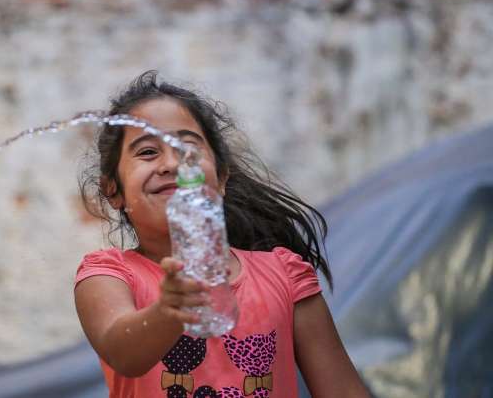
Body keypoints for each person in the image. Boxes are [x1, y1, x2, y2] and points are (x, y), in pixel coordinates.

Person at [75, 70, 369, 398]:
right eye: (147, 152)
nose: (172, 164)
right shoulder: (108, 275)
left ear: (222, 177)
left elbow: (343, 390)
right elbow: (124, 354)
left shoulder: (284, 274)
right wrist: (167, 311)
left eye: (188, 149)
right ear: (113, 191)